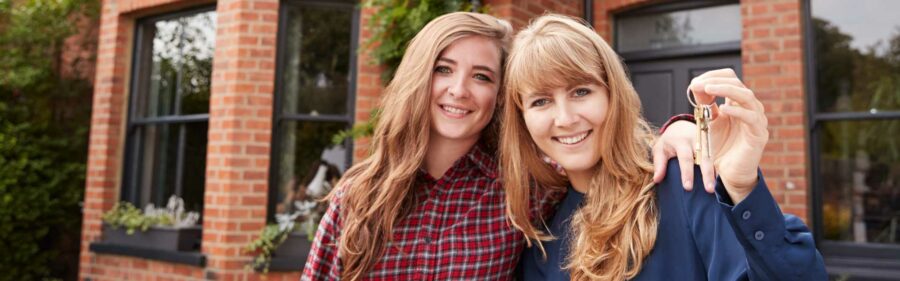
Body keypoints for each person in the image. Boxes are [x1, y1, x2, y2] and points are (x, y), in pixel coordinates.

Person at [303, 12, 708, 280]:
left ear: (500, 96)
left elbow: (600, 154)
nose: (459, 90)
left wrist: (679, 130)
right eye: (443, 69)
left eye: (481, 76)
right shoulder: (357, 199)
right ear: (417, 78)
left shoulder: (528, 189)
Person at [501, 14, 827, 280]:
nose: (565, 118)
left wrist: (743, 188)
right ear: (523, 120)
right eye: (541, 101)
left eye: (581, 92)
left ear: (613, 94)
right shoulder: (542, 241)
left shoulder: (685, 182)